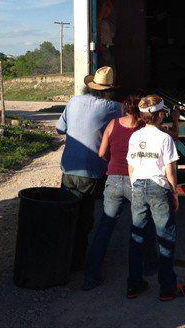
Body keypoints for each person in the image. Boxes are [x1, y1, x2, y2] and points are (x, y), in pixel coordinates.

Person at [56, 66, 123, 270]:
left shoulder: (74, 101)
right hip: (92, 170)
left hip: (68, 167)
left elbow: (60, 129)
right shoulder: (116, 108)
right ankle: (77, 262)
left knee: (67, 212)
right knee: (84, 216)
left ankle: (61, 256)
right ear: (110, 89)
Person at [126, 95, 185, 301]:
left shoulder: (135, 136)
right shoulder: (165, 138)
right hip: (158, 188)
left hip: (138, 186)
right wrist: (174, 193)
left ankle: (134, 285)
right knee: (166, 237)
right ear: (161, 114)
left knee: (137, 237)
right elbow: (170, 171)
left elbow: (131, 165)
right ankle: (168, 288)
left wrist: (135, 186)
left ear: (143, 116)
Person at [82, 94, 146, 290]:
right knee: (142, 227)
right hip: (136, 182)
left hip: (113, 181)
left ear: (125, 108)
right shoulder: (144, 127)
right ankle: (147, 269)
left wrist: (113, 161)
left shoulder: (113, 124)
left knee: (105, 227)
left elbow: (102, 153)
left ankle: (91, 277)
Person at [98, 0, 122, 68]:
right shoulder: (105, 3)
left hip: (108, 44)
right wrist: (99, 43)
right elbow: (98, 21)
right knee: (106, 76)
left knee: (110, 75)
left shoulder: (109, 2)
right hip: (104, 46)